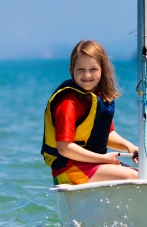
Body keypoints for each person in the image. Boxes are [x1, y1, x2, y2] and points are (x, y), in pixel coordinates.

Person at [41, 40, 139, 185]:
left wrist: (128, 146)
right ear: (72, 69)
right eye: (80, 69)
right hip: (68, 168)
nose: (87, 75)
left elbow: (107, 134)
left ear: (102, 70)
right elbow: (64, 148)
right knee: (134, 178)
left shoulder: (99, 96)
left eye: (93, 69)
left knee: (141, 174)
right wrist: (104, 159)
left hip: (90, 164)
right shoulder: (68, 103)